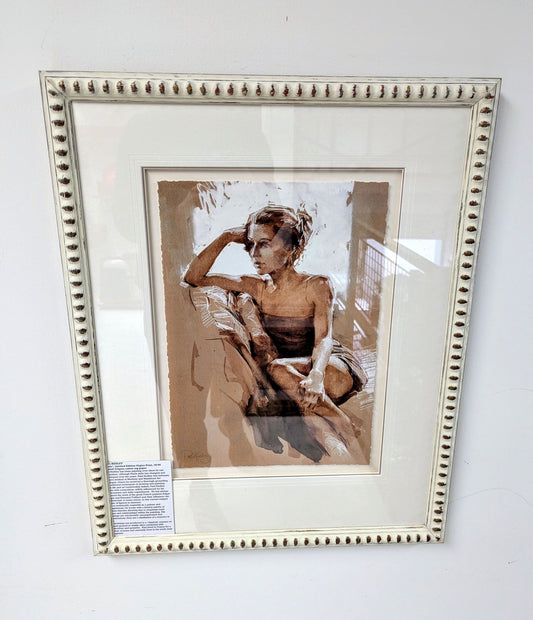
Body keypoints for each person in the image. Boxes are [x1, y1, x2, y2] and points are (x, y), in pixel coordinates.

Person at [184, 205, 366, 461]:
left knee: (279, 371)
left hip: (328, 365)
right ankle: (342, 446)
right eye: (251, 244)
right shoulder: (255, 286)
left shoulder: (317, 284)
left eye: (264, 244)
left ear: (289, 247)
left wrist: (316, 376)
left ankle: (343, 424)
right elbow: (194, 277)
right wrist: (226, 236)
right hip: (291, 378)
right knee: (306, 412)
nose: (254, 253)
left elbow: (323, 339)